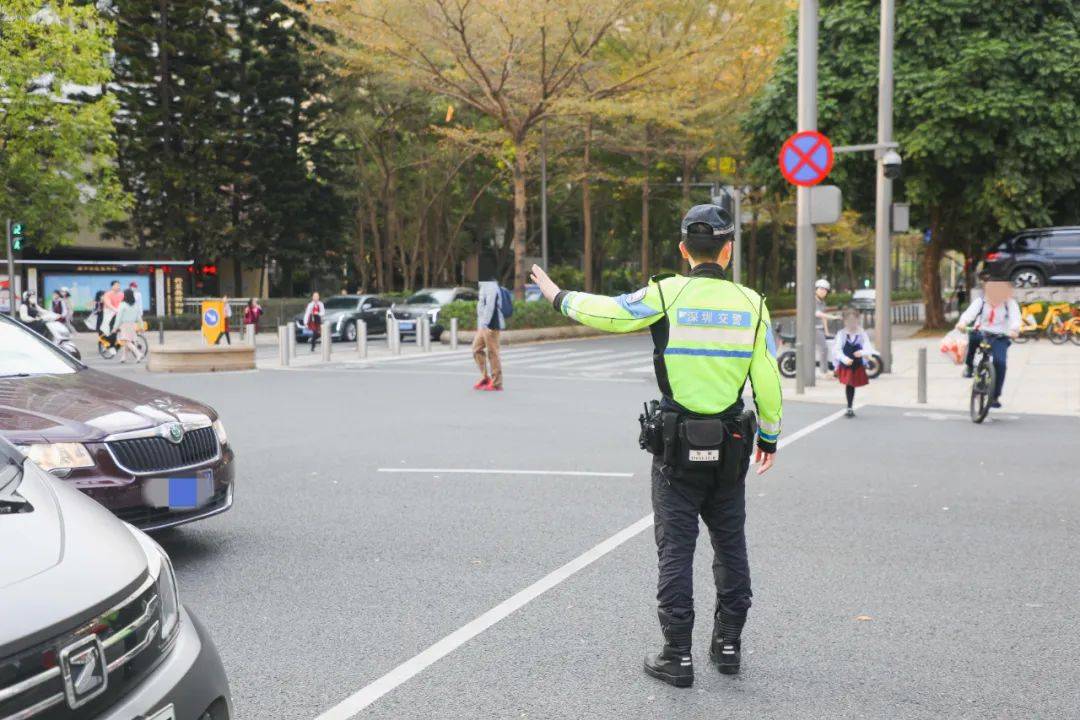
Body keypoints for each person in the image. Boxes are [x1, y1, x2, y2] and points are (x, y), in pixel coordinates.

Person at [530, 203, 783, 688]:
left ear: (685, 250)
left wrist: (559, 296)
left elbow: (608, 312)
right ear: (727, 251)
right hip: (730, 445)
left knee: (676, 551)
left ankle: (677, 656)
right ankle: (728, 646)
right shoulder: (753, 304)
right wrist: (768, 435)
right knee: (731, 545)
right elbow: (767, 380)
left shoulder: (666, 293)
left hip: (676, 447)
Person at [957, 271, 1020, 408]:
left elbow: (1015, 320)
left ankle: (995, 396)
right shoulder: (981, 301)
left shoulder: (1010, 304)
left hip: (1000, 337)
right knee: (973, 338)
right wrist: (962, 323)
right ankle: (969, 366)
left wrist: (1014, 330)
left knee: (1000, 363)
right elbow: (969, 314)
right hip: (982, 332)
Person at [833, 308, 876, 417]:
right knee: (849, 384)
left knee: (852, 384)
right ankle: (849, 407)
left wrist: (861, 352)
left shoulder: (861, 333)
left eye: (854, 320)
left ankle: (850, 406)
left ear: (858, 320)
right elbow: (837, 350)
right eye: (849, 321)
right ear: (845, 321)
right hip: (846, 364)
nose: (852, 323)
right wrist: (844, 359)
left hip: (857, 364)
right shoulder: (841, 334)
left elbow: (868, 348)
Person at [472, 280, 505, 391]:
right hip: (483, 325)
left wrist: (485, 324)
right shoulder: (483, 285)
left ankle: (497, 383)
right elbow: (481, 306)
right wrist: (480, 326)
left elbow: (490, 306)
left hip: (491, 325)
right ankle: (486, 377)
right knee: (476, 349)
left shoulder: (491, 285)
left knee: (493, 352)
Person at [814, 279, 838, 377]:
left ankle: (827, 369)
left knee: (828, 345)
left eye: (825, 290)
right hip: (812, 328)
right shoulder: (813, 300)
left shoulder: (822, 302)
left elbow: (823, 317)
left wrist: (827, 332)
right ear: (816, 289)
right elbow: (818, 314)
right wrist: (834, 317)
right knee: (823, 348)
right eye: (821, 289)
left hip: (819, 328)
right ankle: (824, 372)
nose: (823, 292)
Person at [115, 288, 145, 363]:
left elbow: (119, 317)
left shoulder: (122, 305)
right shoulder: (135, 305)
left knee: (126, 341)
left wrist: (115, 327)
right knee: (128, 340)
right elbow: (139, 317)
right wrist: (141, 326)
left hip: (125, 325)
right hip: (133, 324)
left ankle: (138, 354)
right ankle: (123, 357)